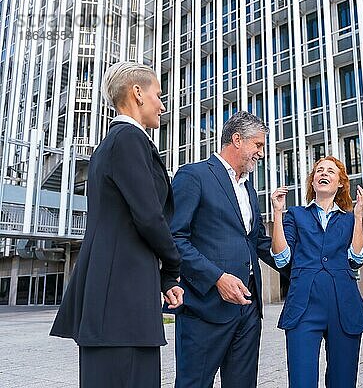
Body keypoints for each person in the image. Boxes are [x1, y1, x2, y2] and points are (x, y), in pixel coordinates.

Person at [50, 61, 184, 388]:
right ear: (137, 93)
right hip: (121, 305)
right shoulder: (127, 140)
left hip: (120, 302)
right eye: (158, 95)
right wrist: (173, 265)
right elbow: (149, 216)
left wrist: (164, 280)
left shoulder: (115, 143)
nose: (162, 105)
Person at [169, 111, 284, 388]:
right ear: (236, 140)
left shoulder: (248, 189)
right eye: (258, 145)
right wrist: (217, 278)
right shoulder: (193, 175)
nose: (261, 153)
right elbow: (174, 238)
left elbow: (255, 241)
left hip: (247, 309)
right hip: (204, 308)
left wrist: (301, 264)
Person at [270, 156, 363, 388]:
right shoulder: (296, 215)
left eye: (330, 171)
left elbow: (356, 259)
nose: (323, 174)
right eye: (319, 171)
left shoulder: (349, 219)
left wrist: (358, 217)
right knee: (301, 381)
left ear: (339, 184)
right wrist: (278, 214)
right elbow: (281, 257)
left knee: (343, 381)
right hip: (303, 305)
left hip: (343, 305)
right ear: (313, 182)